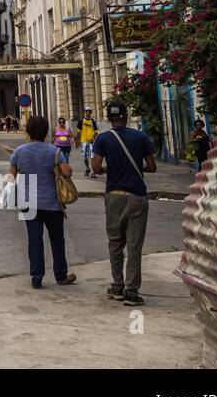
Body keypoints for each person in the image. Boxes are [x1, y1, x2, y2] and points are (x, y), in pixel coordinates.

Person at [91, 99, 157, 307]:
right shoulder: (141, 137)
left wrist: (107, 170)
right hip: (137, 195)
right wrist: (137, 168)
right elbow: (152, 166)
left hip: (115, 195)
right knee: (134, 245)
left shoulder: (102, 139)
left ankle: (117, 286)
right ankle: (132, 291)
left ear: (109, 118)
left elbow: (96, 168)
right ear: (126, 116)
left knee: (115, 243)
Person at [8, 114, 77, 289]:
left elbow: (10, 177)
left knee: (34, 239)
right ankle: (61, 276)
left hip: (28, 203)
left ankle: (36, 277)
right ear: (46, 132)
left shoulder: (19, 152)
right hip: (52, 204)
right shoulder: (54, 151)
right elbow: (67, 173)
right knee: (56, 239)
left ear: (28, 132)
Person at [76, 107, 99, 178]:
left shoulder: (92, 121)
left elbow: (96, 131)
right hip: (83, 141)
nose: (88, 112)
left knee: (92, 157)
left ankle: (94, 172)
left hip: (91, 141)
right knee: (85, 157)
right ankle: (87, 168)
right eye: (87, 111)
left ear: (91, 112)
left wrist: (93, 138)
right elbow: (78, 131)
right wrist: (77, 140)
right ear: (85, 112)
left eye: (89, 111)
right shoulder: (81, 121)